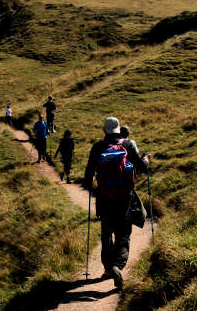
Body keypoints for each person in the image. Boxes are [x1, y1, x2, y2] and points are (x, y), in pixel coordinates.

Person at [82, 117, 153, 279]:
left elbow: (87, 176)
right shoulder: (128, 144)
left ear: (104, 130)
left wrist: (95, 188)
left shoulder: (98, 147)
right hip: (125, 198)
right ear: (119, 130)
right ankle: (117, 266)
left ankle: (107, 268)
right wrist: (146, 158)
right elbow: (143, 168)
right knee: (123, 234)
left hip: (104, 197)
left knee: (106, 233)